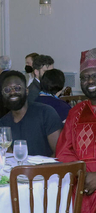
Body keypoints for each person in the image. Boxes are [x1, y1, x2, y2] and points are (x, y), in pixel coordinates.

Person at [56, 48, 96, 213]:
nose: (90, 81)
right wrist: (83, 174)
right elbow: (63, 151)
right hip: (81, 186)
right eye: (84, 78)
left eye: (94, 75)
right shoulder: (75, 112)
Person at [0, 71, 62, 157]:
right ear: (2, 94)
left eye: (17, 88)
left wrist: (40, 169)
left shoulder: (46, 113)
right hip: (18, 169)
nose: (12, 92)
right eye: (7, 90)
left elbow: (60, 152)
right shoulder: (2, 125)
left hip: (47, 168)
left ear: (27, 91)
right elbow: (8, 157)